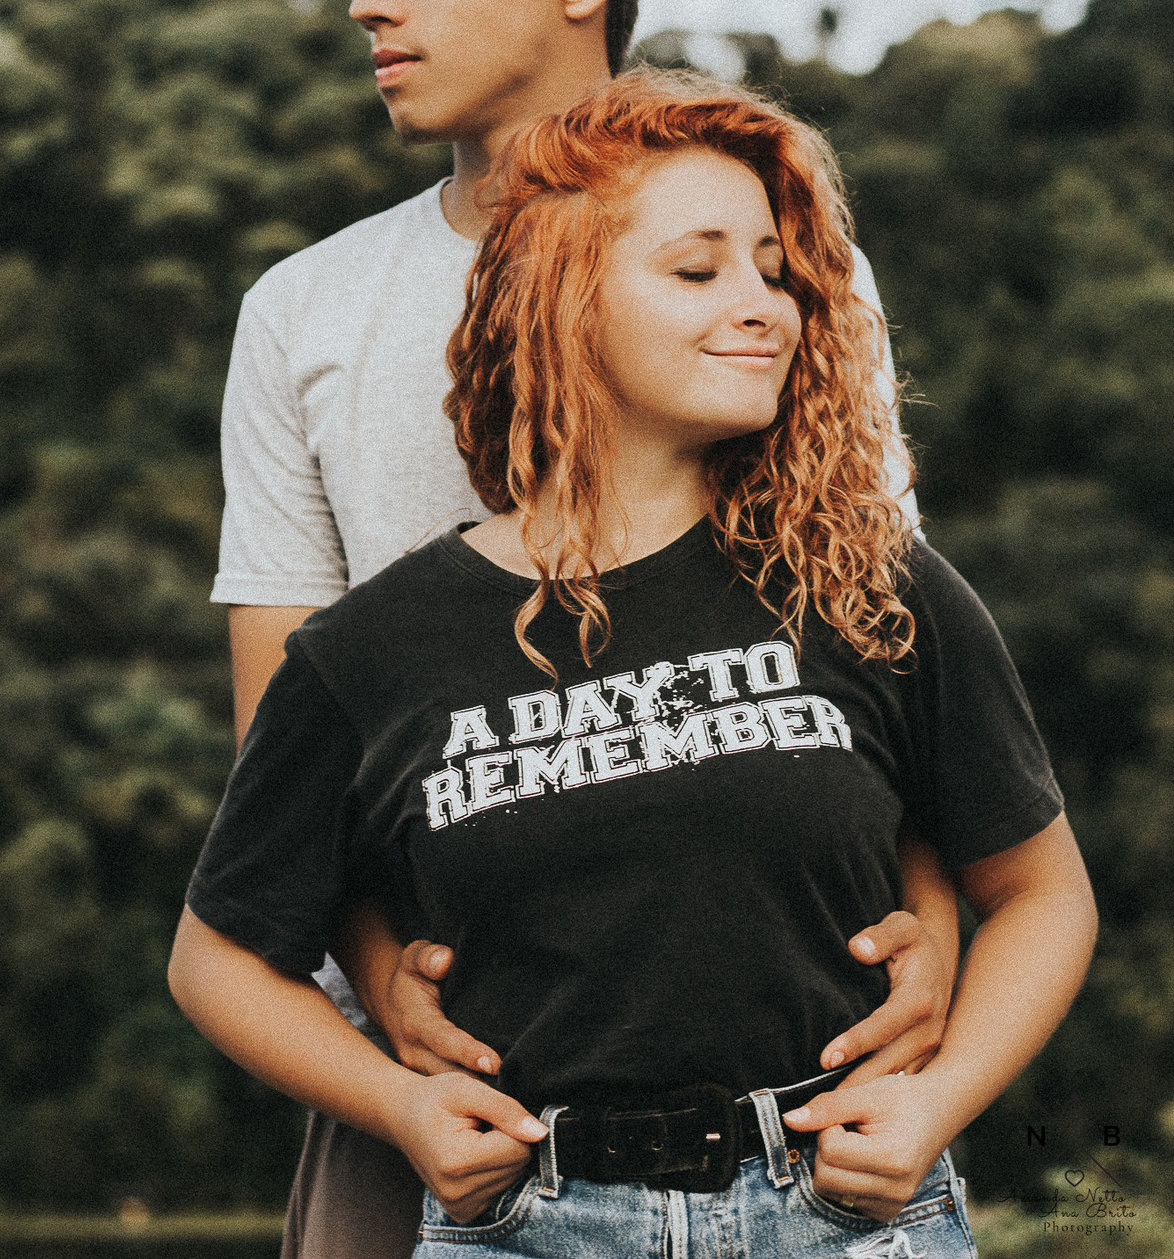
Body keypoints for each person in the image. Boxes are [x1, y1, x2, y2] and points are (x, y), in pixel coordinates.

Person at [210, 0, 958, 1259]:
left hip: (789, 1090)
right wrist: (383, 982)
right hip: (442, 1093)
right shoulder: (304, 311)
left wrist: (928, 931)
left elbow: (876, 645)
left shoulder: (775, 272)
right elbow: (283, 724)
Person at [173, 70, 1097, 1258]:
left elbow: (1042, 895)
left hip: (846, 1221)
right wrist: (399, 1104)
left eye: (774, 271)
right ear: (562, 302)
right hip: (527, 1227)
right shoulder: (370, 652)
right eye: (698, 271)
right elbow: (215, 961)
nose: (765, 306)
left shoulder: (866, 582)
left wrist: (940, 1100)